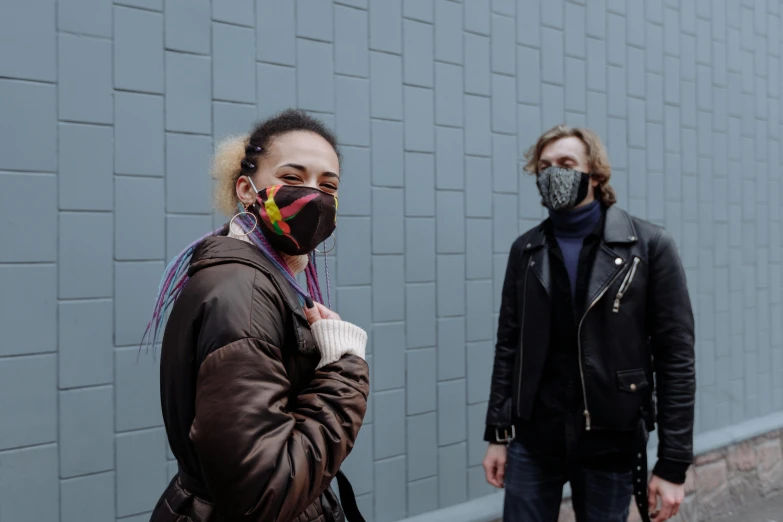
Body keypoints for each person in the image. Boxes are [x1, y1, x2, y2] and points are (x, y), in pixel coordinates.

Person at [147, 109, 369, 522]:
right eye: (291, 178)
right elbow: (264, 495)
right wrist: (345, 368)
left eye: (328, 185)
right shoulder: (244, 293)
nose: (312, 196)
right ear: (247, 190)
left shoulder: (254, 278)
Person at [482, 125, 695, 522]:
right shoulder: (526, 250)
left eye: (566, 164)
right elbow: (509, 345)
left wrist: (672, 464)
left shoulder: (647, 247)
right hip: (534, 440)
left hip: (610, 442)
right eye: (543, 166)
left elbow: (676, 359)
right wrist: (498, 435)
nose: (552, 174)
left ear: (594, 174)